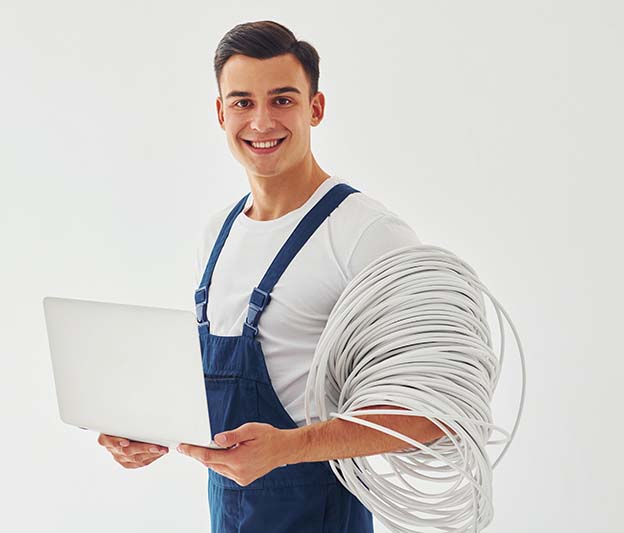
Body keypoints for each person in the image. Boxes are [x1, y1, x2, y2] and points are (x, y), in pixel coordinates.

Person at [97, 20, 447, 532]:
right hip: (230, 515)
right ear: (220, 113)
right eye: (242, 102)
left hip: (321, 514)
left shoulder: (366, 235)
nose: (260, 122)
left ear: (316, 108)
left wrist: (291, 448)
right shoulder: (218, 234)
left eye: (282, 100)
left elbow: (433, 415)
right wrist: (145, 430)